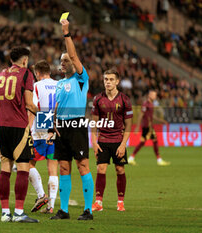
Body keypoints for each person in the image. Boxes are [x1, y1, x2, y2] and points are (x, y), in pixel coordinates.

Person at [47, 19, 94, 220]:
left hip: (76, 124)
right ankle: (64, 210)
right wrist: (52, 126)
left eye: (66, 60)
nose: (64, 62)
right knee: (63, 167)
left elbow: (73, 55)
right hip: (61, 128)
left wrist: (66, 33)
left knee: (82, 165)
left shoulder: (81, 80)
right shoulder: (58, 84)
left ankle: (88, 210)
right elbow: (55, 107)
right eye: (62, 60)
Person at [0, 46, 39, 223]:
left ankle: (5, 213)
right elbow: (29, 103)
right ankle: (19, 213)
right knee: (23, 168)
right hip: (19, 127)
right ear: (24, 60)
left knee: (6, 169)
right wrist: (41, 112)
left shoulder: (0, 74)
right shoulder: (26, 74)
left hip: (3, 127)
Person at [90, 69, 133, 212]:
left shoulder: (124, 100)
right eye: (106, 79)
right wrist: (94, 142)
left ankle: (120, 202)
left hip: (118, 140)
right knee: (100, 168)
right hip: (102, 139)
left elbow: (129, 125)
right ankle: (98, 202)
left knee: (120, 169)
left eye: (111, 79)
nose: (108, 82)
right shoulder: (97, 99)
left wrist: (123, 144)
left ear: (117, 81)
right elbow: (94, 123)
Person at [29, 60, 59, 214]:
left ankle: (42, 195)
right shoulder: (59, 85)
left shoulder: (36, 86)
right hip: (55, 129)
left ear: (37, 73)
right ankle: (51, 206)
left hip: (40, 128)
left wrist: (28, 129)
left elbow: (32, 107)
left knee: (27, 164)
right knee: (53, 169)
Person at [128, 90, 170, 166]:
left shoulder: (151, 104)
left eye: (155, 95)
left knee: (144, 142)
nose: (155, 96)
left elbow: (151, 116)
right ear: (149, 95)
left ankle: (131, 158)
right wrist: (137, 127)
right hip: (147, 127)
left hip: (149, 127)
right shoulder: (146, 104)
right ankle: (159, 160)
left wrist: (161, 121)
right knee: (154, 141)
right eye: (154, 95)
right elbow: (140, 115)